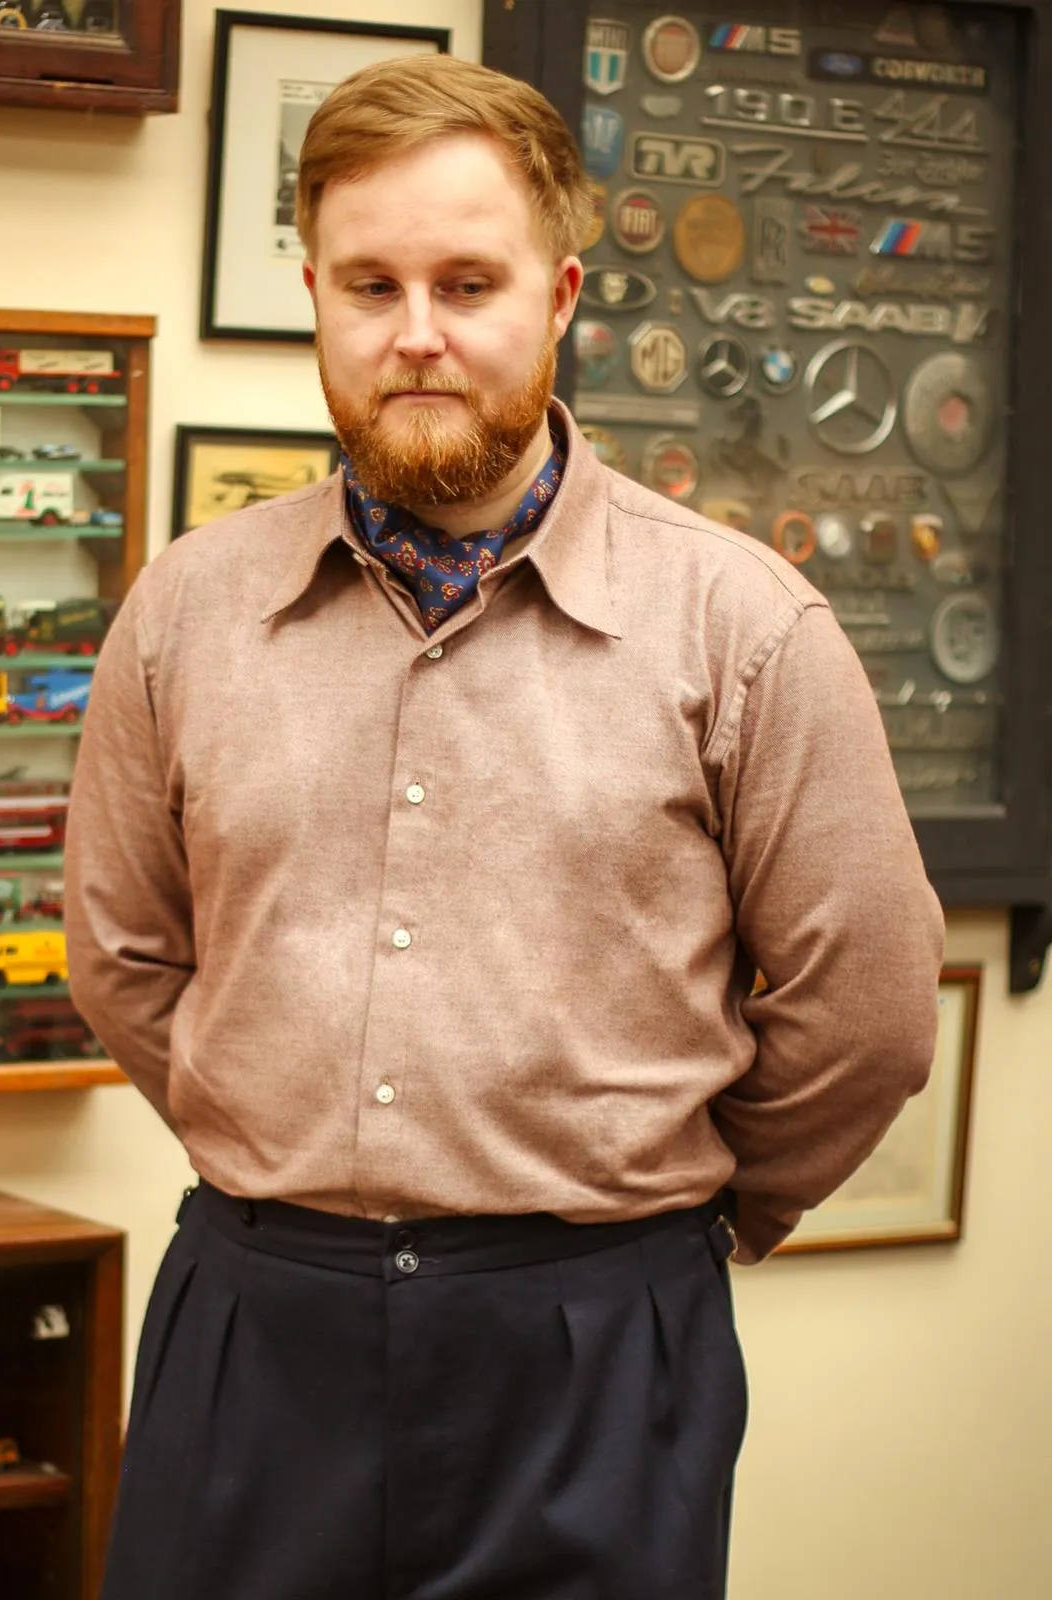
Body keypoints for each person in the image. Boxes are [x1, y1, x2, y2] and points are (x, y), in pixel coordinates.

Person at [65, 53, 945, 1600]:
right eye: (370, 284)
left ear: (561, 296)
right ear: (317, 295)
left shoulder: (746, 628)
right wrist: (279, 1138)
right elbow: (126, 958)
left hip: (598, 1347)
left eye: (468, 283)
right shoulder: (187, 613)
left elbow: (861, 1013)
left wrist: (669, 1218)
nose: (416, 335)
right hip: (256, 1333)